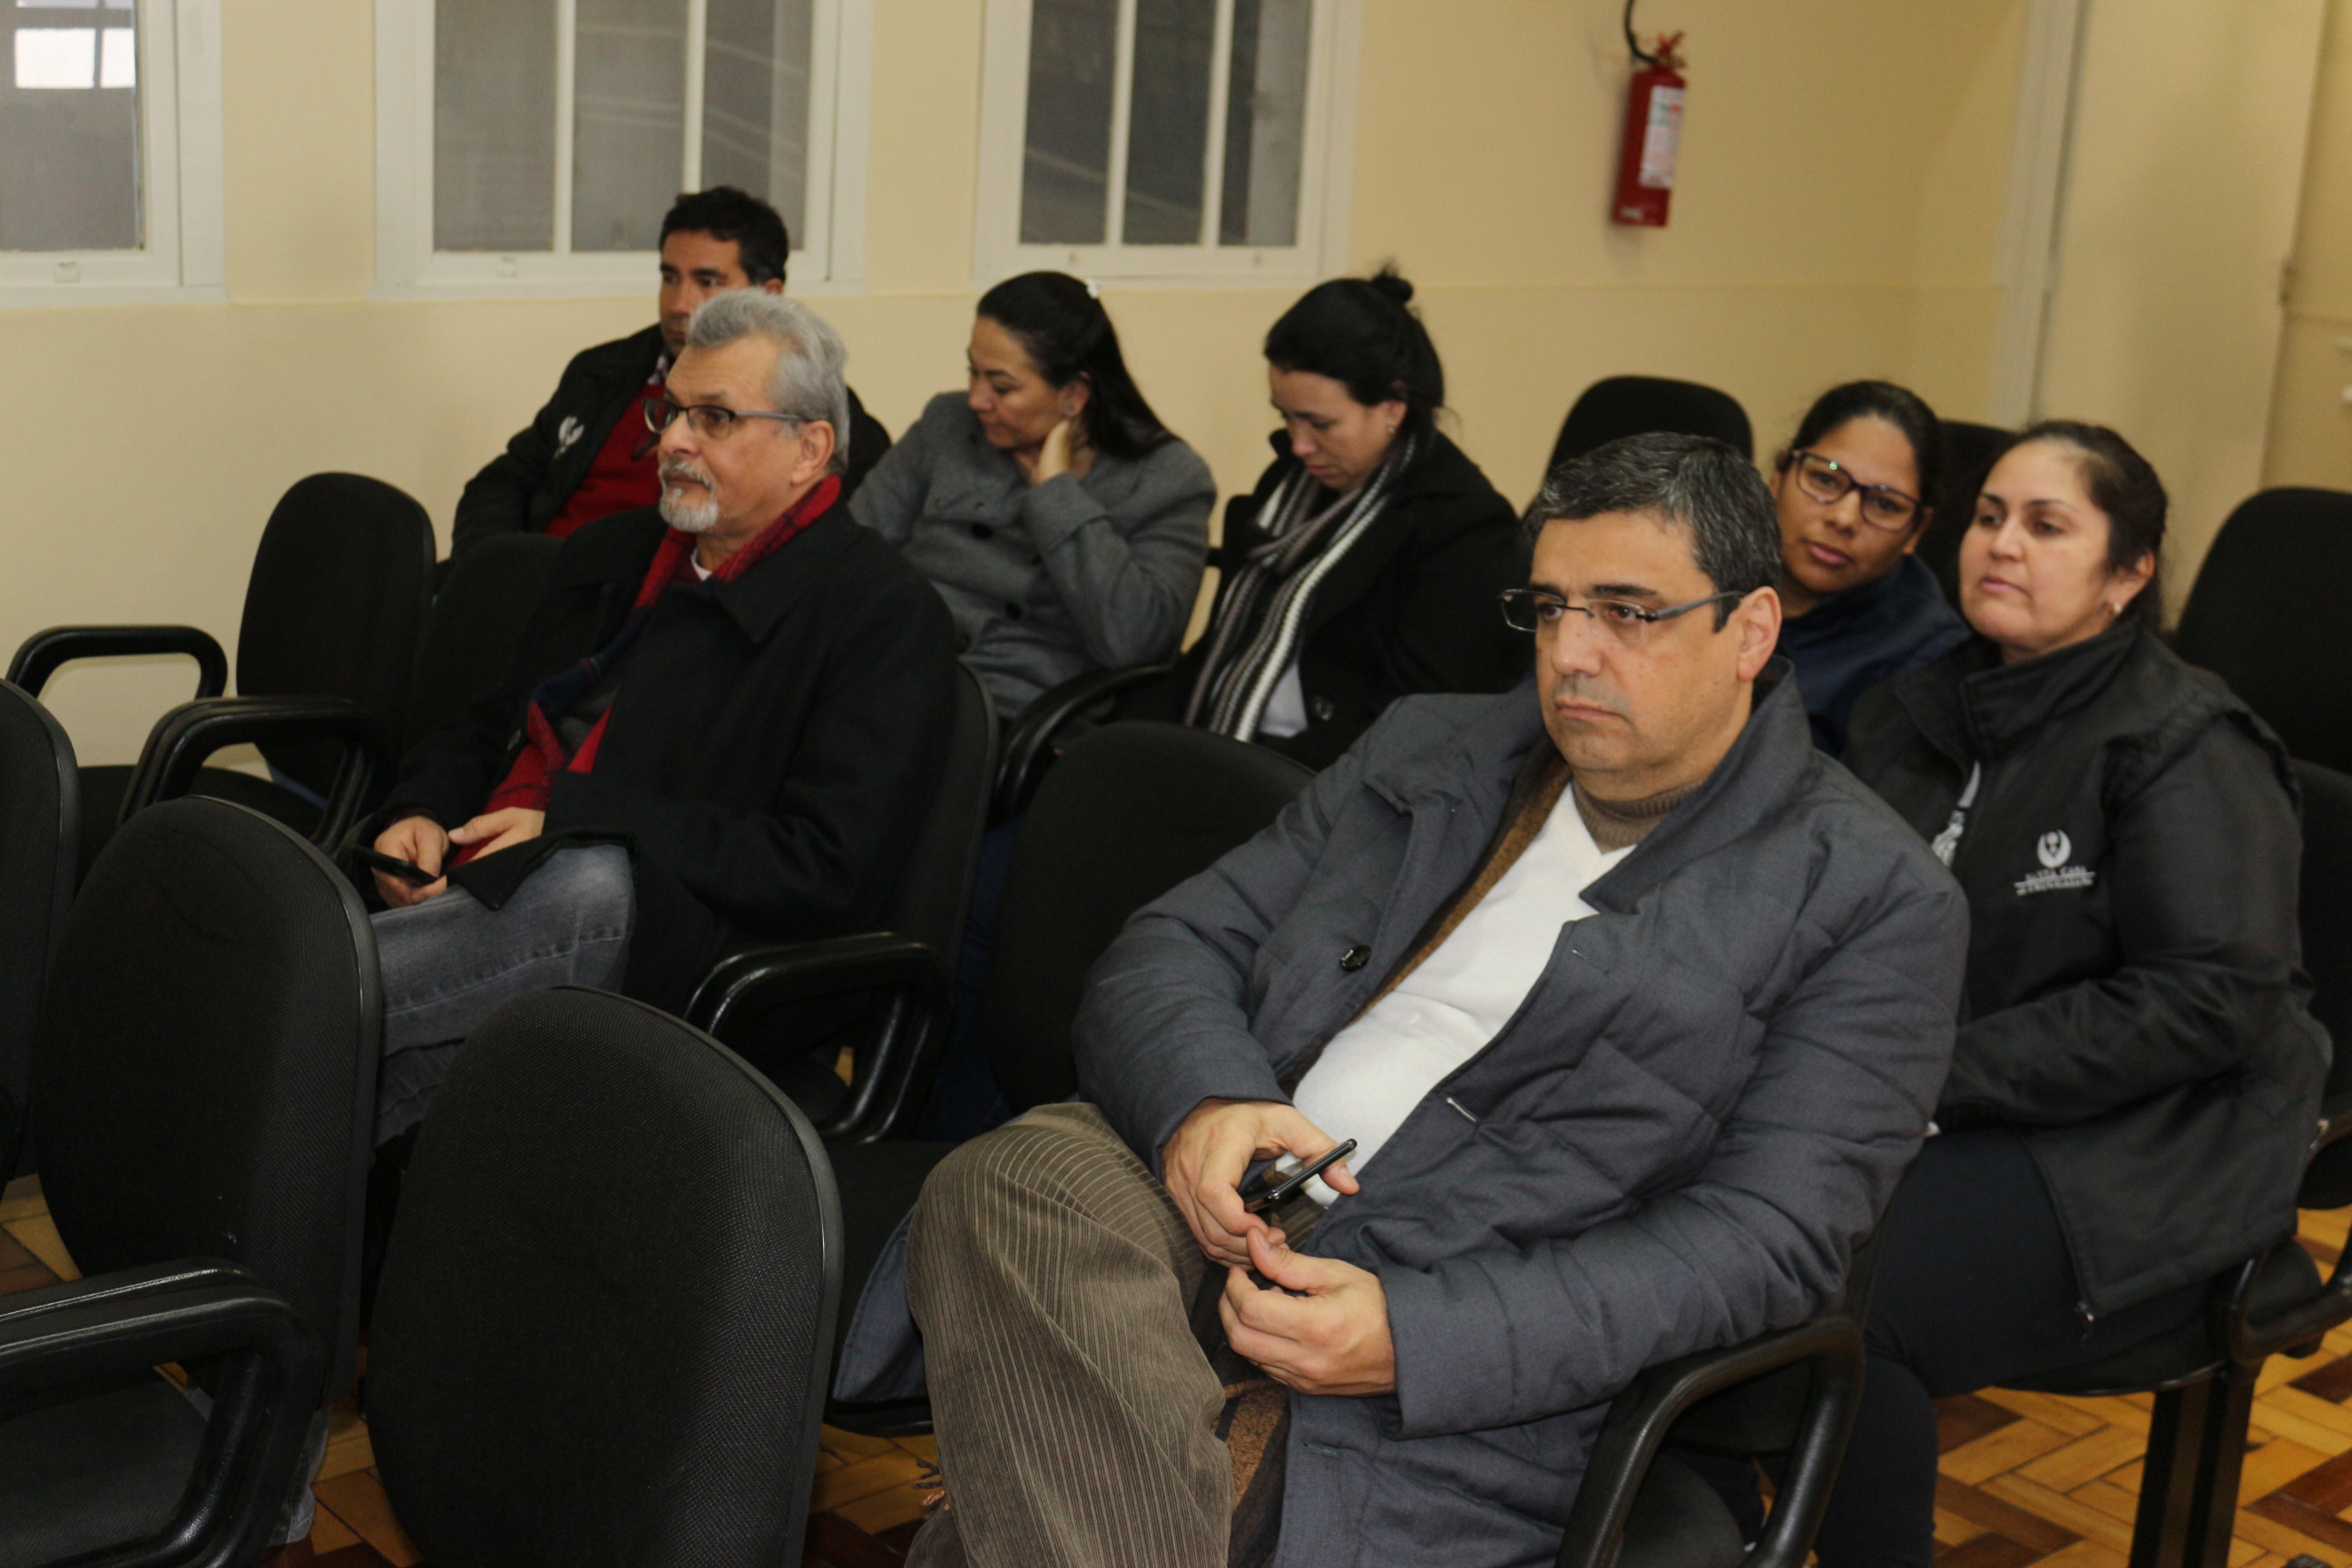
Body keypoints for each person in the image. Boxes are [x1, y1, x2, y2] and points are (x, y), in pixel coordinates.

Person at [838, 433, 1969, 1567]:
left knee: (982, 1543)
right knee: (1015, 1179)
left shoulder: (1873, 896)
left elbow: (1766, 1244)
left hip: (1448, 1307)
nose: (1571, 653)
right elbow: (1174, 941)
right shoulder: (1433, 744)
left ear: (1751, 630)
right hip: (1226, 1202)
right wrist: (1208, 1103)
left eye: (1628, 613)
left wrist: (1420, 1337)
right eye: (1551, 608)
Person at [1820, 422, 2328, 1566]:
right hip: (1948, 1105)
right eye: (1989, 517)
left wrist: (1928, 1079)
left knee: (1842, 1305)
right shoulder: (1908, 709)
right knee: (1706, 1232)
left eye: (2047, 526)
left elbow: (2207, 1000)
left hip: (2154, 1143)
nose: (2002, 544)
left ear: (2127, 574)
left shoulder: (2185, 743)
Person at [365, 291, 957, 1144]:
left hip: (696, 957)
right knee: (328, 1086)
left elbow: (822, 867)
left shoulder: (880, 617)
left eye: (715, 418)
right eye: (671, 411)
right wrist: (417, 809)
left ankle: (301, 991)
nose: (674, 440)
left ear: (809, 450)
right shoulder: (611, 553)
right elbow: (490, 723)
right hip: (484, 899)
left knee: (583, 883)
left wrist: (571, 822)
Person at [1128, 267, 1523, 769]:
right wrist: (1132, 737)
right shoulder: (1289, 487)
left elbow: (1415, 725)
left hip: (1330, 776)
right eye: (1286, 416)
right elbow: (1221, 648)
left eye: (1320, 423)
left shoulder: (1463, 527)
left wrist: (1244, 774)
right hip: (1237, 742)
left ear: (1393, 406)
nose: (1299, 445)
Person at [450, 186, 894, 559]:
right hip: (535, 583)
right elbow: (503, 481)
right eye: (670, 277)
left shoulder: (813, 421)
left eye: (708, 282)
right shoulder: (601, 371)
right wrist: (497, 565)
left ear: (769, 294)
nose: (680, 303)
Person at [849, 271, 1213, 720]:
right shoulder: (947, 423)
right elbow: (854, 549)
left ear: (1074, 394)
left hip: (1012, 710)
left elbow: (1134, 642)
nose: (977, 399)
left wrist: (1057, 494)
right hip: (895, 668)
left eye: (1002, 387)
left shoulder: (1165, 477)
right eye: (973, 372)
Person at [1769, 380, 1968, 753]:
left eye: (1885, 504)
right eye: (1825, 479)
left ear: (1916, 531)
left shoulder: (1927, 660)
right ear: (1779, 475)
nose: (1844, 518)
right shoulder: (1701, 570)